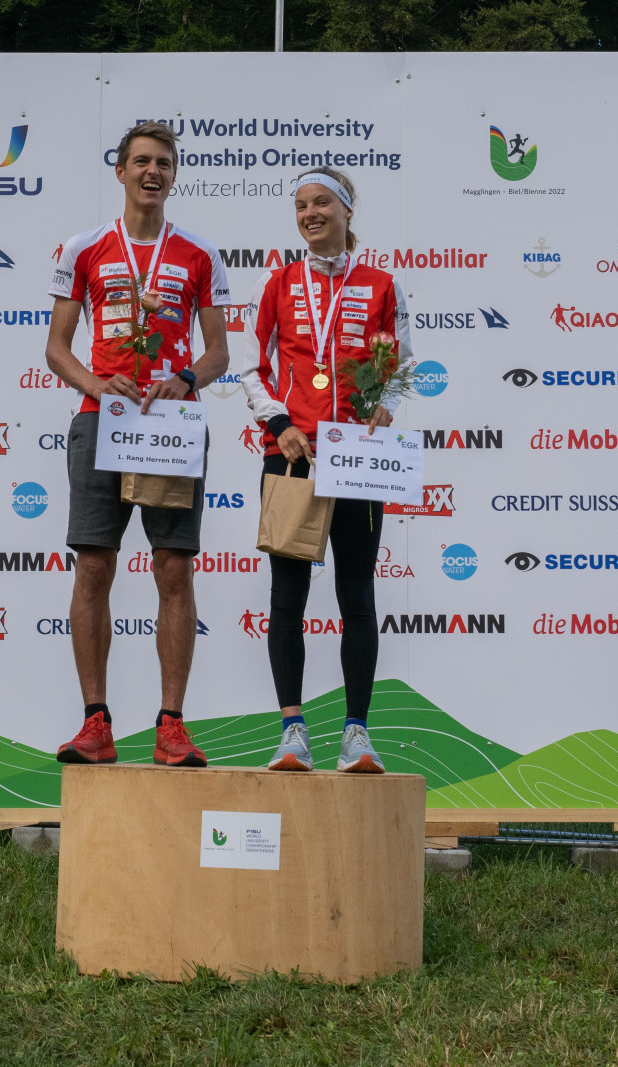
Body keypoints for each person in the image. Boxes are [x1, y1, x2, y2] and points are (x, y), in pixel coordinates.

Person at [44, 122, 232, 766]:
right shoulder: (84, 248)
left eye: (164, 163)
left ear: (174, 176)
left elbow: (218, 353)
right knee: (94, 567)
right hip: (102, 420)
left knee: (173, 568)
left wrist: (186, 379)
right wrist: (99, 384)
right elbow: (56, 349)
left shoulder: (200, 254)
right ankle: (95, 722)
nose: (154, 172)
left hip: (171, 427)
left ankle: (171, 724)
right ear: (120, 171)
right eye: (143, 161)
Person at [240, 167, 410, 774]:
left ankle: (356, 735)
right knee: (287, 596)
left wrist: (387, 406)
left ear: (347, 211)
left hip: (357, 455)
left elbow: (402, 364)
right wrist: (278, 423)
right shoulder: (278, 282)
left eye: (321, 203)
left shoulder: (383, 284)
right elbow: (252, 366)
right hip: (292, 454)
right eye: (300, 206)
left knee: (356, 594)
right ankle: (293, 734)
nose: (309, 213)